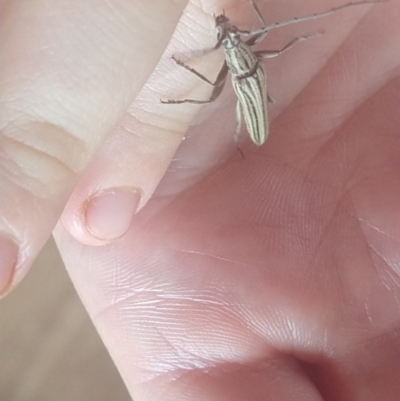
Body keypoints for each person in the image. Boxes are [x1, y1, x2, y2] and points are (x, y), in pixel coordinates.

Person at [1, 0, 399, 399]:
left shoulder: (238, 56)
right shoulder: (247, 54)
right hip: (250, 78)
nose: (228, 34)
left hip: (249, 79)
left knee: (225, 100)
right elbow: (260, 35)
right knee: (233, 101)